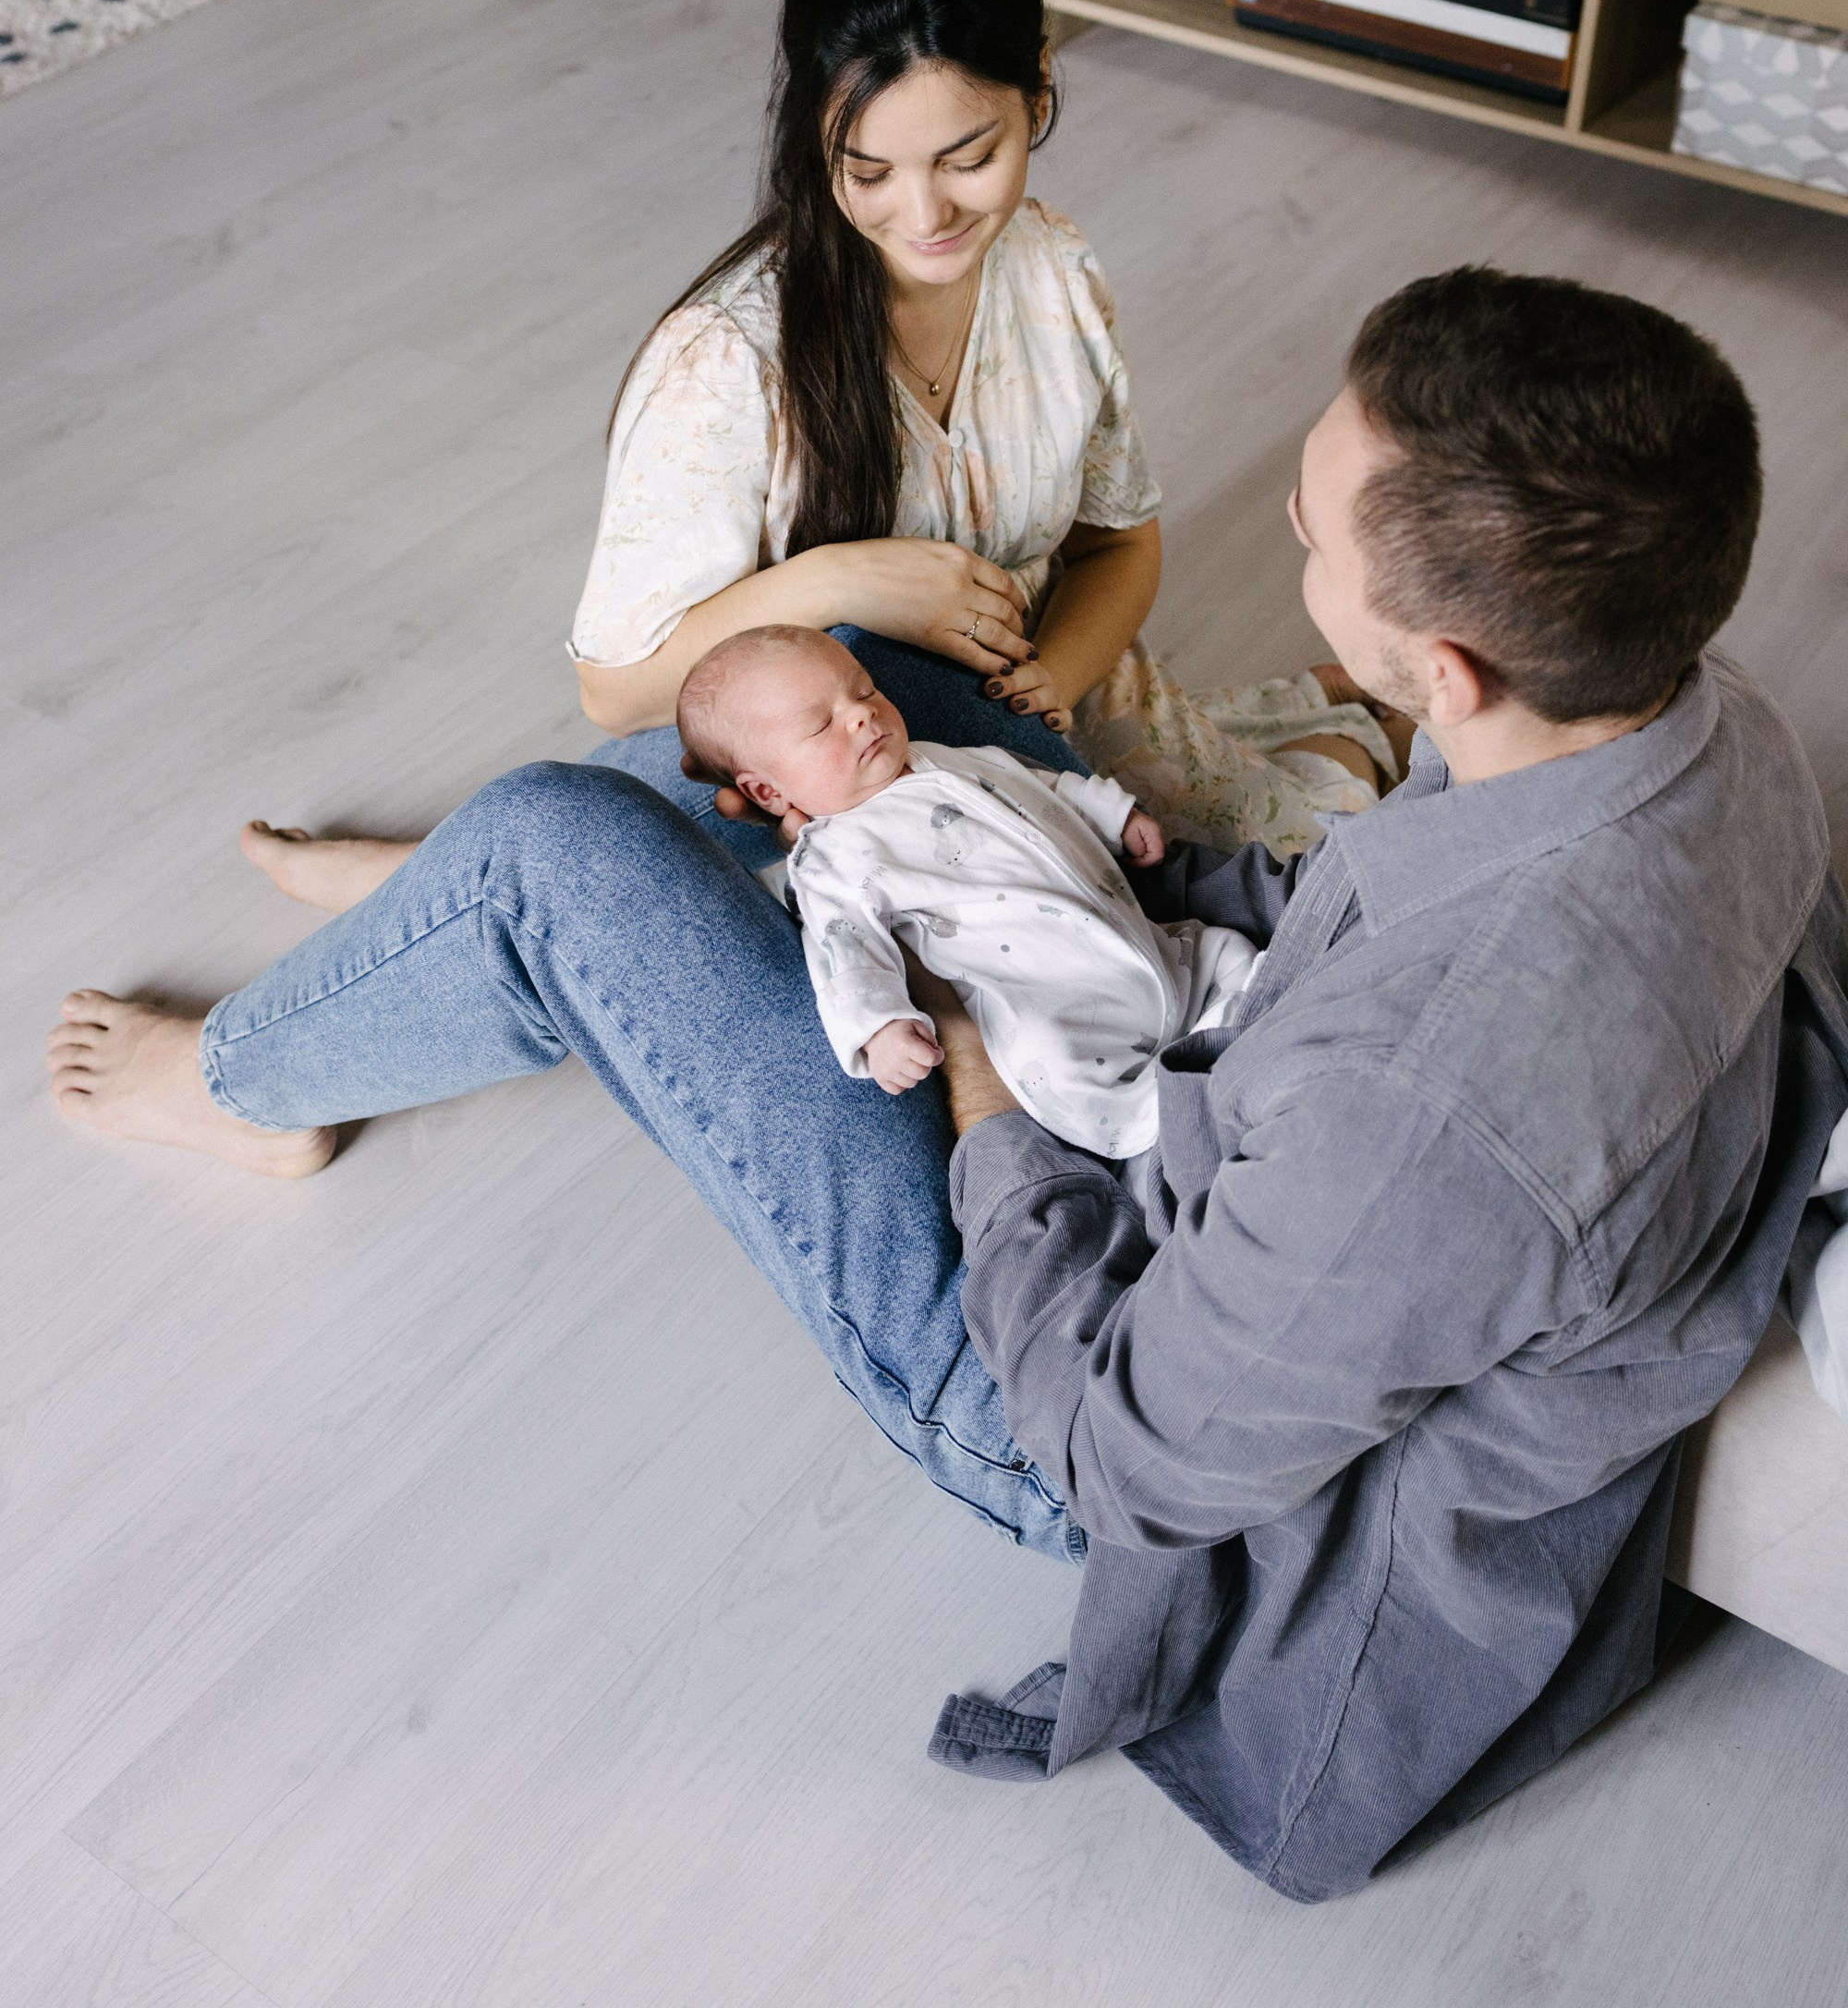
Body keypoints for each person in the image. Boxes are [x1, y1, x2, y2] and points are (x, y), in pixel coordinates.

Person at [49, 265, 1848, 1901]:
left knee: (553, 841)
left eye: (1314, 534)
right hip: (1197, 1067)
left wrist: (983, 1074)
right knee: (866, 692)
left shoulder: (1434, 1123)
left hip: (1071, 1347)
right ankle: (498, 918)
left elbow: (1128, 1444)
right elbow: (1345, 920)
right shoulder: (1698, 718)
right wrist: (1130, 886)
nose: (1287, 518)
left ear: (1439, 670)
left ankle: (275, 1067)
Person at [242, 0, 1400, 927]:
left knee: (1297, 893)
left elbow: (1117, 544)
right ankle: (435, 881)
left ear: (1039, 84)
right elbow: (615, 690)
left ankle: (1339, 718)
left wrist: (1049, 678)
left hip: (1044, 723)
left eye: (969, 155)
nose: (927, 211)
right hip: (822, 785)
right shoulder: (725, 364)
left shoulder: (1053, 271)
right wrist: (840, 581)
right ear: (816, 136)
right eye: (869, 171)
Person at [675, 621, 1255, 1143]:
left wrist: (1113, 814)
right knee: (1048, 1059)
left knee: (1223, 949)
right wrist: (879, 1028)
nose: (862, 714)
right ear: (769, 793)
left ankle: (1243, 1018)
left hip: (1136, 942)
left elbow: (1039, 783)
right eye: (821, 724)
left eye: (864, 690)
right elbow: (843, 952)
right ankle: (1158, 1118)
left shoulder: (945, 760)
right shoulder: (831, 860)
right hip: (1048, 1000)